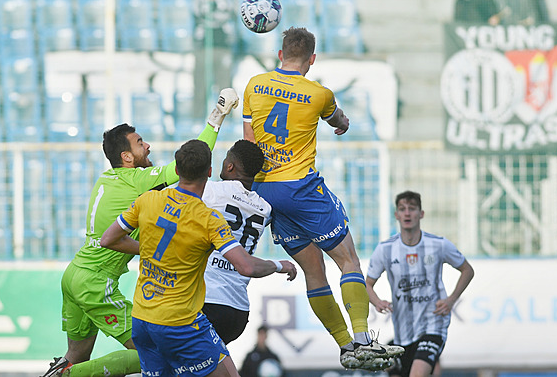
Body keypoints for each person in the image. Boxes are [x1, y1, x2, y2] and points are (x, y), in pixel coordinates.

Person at [40, 88, 240, 377]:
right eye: (139, 143)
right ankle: (64, 376)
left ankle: (65, 371)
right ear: (127, 157)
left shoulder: (107, 178)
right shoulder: (136, 180)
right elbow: (184, 166)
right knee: (152, 350)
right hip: (96, 282)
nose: (147, 147)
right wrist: (216, 118)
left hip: (75, 274)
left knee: (76, 355)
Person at [242, 26, 403, 371]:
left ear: (280, 54)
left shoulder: (254, 85)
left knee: (313, 273)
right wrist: (341, 122)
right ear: (312, 59)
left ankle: (345, 346)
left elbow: (247, 144)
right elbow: (340, 121)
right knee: (348, 261)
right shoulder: (319, 94)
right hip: (300, 188)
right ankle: (362, 339)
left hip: (265, 192)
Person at [99, 139, 298, 377]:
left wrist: (148, 248)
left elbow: (108, 239)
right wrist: (278, 265)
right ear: (210, 171)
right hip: (222, 310)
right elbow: (245, 265)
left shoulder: (151, 199)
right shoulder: (255, 210)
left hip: (149, 315)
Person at [366, 191, 475, 377]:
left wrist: (451, 300)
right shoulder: (385, 249)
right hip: (403, 333)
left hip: (433, 325)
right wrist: (376, 301)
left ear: (421, 214)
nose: (407, 213)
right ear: (396, 215)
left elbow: (467, 270)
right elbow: (366, 284)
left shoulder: (438, 244)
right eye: (402, 209)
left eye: (412, 209)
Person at [202, 139, 272, 345]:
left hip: (207, 301)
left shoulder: (210, 191)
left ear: (229, 165)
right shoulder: (266, 209)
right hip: (238, 312)